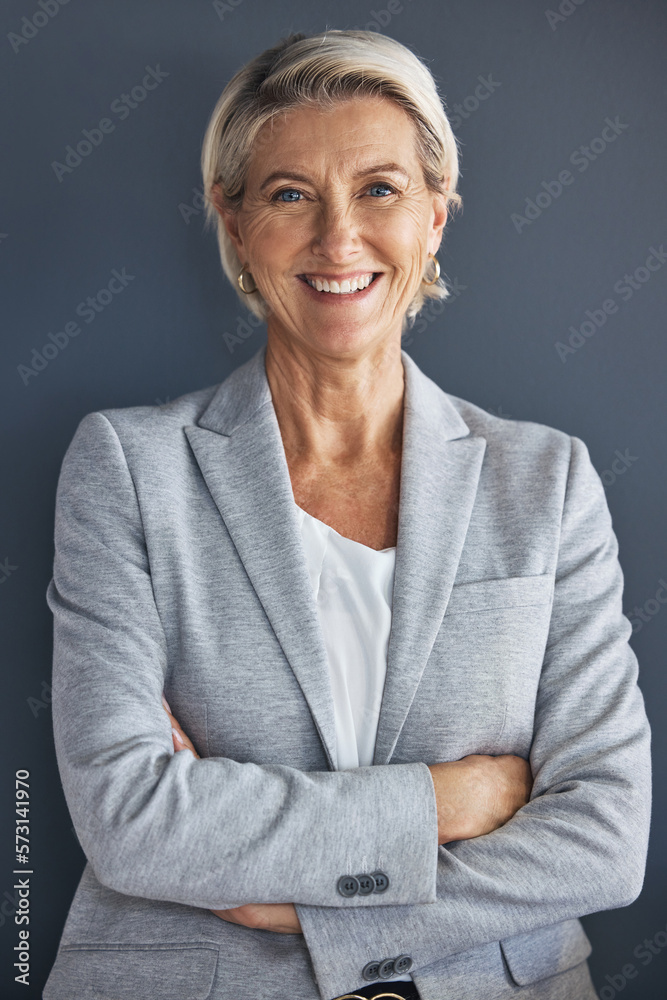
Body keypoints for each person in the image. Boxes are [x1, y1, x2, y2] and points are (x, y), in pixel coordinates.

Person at [43, 29, 651, 1000]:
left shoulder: (548, 478)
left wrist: (306, 905)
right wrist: (446, 800)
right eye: (290, 194)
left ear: (436, 215)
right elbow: (132, 818)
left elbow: (604, 840)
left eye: (379, 188)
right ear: (232, 221)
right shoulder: (127, 467)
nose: (337, 240)